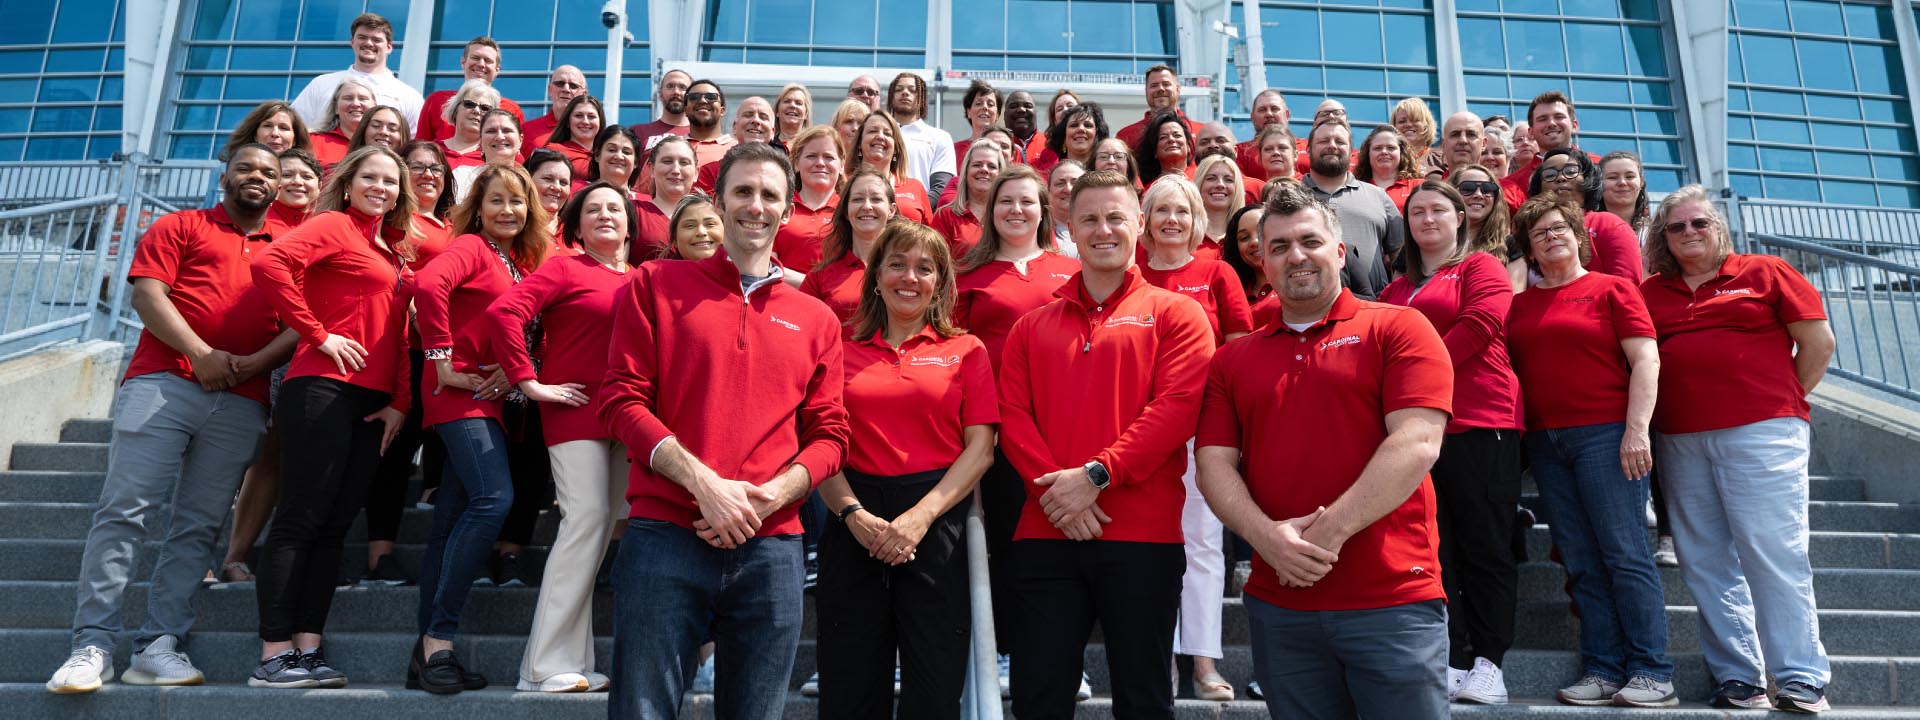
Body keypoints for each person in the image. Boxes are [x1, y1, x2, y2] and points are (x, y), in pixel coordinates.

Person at [600, 142, 849, 719]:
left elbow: (831, 433)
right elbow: (619, 399)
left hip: (772, 546)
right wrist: (705, 486)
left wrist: (775, 496)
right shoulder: (655, 285)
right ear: (717, 200)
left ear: (788, 211)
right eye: (743, 191)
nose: (755, 206)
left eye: (769, 195)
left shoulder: (816, 317)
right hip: (665, 534)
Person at [1195, 180, 1453, 720]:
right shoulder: (1233, 361)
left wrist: (1323, 537)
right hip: (1281, 604)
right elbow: (1213, 463)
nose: (1297, 256)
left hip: (1391, 602)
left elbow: (1418, 442)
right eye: (1280, 246)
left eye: (1309, 241)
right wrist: (1269, 540)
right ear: (1261, 261)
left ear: (1339, 251)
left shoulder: (1399, 328)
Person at [44, 145, 292, 695]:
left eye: (270, 173)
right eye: (248, 168)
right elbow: (148, 295)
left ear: (281, 185)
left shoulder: (288, 245)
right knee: (123, 512)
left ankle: (159, 644)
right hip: (163, 383)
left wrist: (255, 363)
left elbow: (302, 322)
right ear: (225, 173)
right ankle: (92, 644)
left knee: (199, 525)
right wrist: (201, 354)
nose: (258, 178)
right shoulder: (181, 225)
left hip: (243, 397)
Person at [997, 169, 1212, 717]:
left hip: (1143, 537)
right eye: (1089, 218)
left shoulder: (1178, 314)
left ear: (1139, 223)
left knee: (1144, 699)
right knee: (1037, 699)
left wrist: (1095, 476)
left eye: (1116, 217)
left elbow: (1176, 410)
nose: (1103, 229)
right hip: (1045, 535)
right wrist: (1059, 497)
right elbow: (1014, 419)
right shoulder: (1030, 327)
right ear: (1067, 224)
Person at [1640, 186, 1836, 714]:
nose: (1688, 233)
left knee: (1774, 553)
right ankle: (1738, 677)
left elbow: (1818, 343)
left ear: (1718, 227)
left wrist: (1780, 398)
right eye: (1676, 227)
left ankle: (1799, 676)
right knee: (1704, 559)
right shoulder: (1650, 291)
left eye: (1698, 223)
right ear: (1662, 237)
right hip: (1680, 438)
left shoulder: (1766, 271)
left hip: (1764, 432)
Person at [813, 219, 997, 719]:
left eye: (924, 268)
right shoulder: (839, 348)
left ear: (941, 282)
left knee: (935, 692)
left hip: (937, 523)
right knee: (849, 689)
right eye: (896, 264)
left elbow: (981, 449)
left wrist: (921, 517)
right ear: (876, 277)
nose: (909, 277)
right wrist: (853, 515)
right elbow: (819, 444)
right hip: (854, 519)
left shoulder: (967, 350)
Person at [249, 145, 416, 689]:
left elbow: (396, 333)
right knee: (300, 518)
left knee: (335, 525)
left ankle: (308, 648)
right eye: (371, 177)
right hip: (321, 388)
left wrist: (399, 401)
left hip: (371, 404)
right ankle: (274, 653)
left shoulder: (389, 251)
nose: (381, 187)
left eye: (391, 182)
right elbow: (268, 262)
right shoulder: (336, 225)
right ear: (348, 182)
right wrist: (319, 334)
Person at [1504, 195, 1675, 707]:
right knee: (1579, 558)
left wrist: (1636, 430)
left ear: (1580, 236)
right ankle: (1602, 667)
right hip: (1547, 443)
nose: (1552, 236)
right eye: (1539, 234)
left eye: (1560, 228)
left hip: (1606, 435)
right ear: (1528, 250)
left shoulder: (1613, 289)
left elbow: (1647, 361)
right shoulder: (1519, 304)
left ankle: (1652, 670)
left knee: (1624, 553)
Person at [1378, 181, 1524, 705]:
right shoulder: (1396, 290)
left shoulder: (1482, 267)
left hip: (1481, 420)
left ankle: (1491, 662)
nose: (1427, 219)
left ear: (1461, 217)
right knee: (1439, 550)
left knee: (1485, 546)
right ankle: (1456, 656)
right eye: (1417, 212)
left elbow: (1482, 325)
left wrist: (1416, 375)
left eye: (1439, 209)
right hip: (1418, 435)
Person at [487, 181, 636, 693]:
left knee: (596, 537)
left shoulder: (643, 278)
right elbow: (504, 312)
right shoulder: (564, 267)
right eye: (592, 209)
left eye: (614, 208)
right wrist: (528, 381)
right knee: (586, 521)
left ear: (630, 221)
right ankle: (542, 668)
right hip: (573, 409)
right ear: (576, 224)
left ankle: (575, 661)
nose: (604, 216)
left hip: (627, 415)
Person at [406, 163, 549, 693]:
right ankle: (440, 638)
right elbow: (426, 284)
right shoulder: (470, 247)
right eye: (497, 202)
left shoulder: (513, 262)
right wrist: (442, 358)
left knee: (449, 526)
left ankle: (425, 655)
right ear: (478, 209)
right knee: (494, 500)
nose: (508, 211)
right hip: (454, 395)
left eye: (517, 202)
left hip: (485, 398)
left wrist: (505, 370)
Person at [951, 165, 1081, 694]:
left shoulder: (1069, 268)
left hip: (1065, 426)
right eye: (1006, 202)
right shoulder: (969, 275)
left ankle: (1066, 660)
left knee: (1065, 545)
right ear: (990, 210)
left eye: (1028, 201)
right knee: (1007, 543)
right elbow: (953, 348)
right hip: (999, 435)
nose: (1017, 211)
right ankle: (1004, 649)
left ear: (1043, 210)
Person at [1136, 175, 1251, 702]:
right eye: (1161, 210)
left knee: (1204, 543)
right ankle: (1151, 657)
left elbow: (1239, 353)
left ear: (1197, 217)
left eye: (1182, 210)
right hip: (1135, 429)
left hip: (1201, 427)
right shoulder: (1129, 273)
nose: (1173, 220)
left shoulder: (1217, 272)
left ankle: (1202, 661)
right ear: (1146, 217)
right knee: (1143, 544)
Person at [355, 140, 458, 587]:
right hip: (405, 349)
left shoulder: (454, 227)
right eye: (416, 167)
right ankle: (380, 554)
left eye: (436, 168)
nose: (428, 175)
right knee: (394, 454)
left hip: (448, 354)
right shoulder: (397, 224)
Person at [1300, 118, 1402, 299]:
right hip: (1305, 303)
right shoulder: (1289, 196)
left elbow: (1401, 255)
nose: (1332, 146)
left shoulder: (1379, 196)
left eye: (1340, 142)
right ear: (1308, 149)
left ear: (1351, 151)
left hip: (1372, 307)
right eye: (1324, 141)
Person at [801, 167, 897, 334]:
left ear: (891, 210)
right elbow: (802, 331)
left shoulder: (910, 272)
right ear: (846, 211)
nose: (867, 206)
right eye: (858, 199)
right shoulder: (820, 276)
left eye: (876, 199)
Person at [289, 13, 422, 129]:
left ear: (389, 47)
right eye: (362, 37)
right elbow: (294, 127)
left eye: (376, 40)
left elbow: (414, 144)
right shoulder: (321, 84)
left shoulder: (408, 96)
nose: (369, 43)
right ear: (352, 42)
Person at [1528, 148, 1642, 281]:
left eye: (1570, 171)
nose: (1560, 178)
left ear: (1587, 179)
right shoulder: (1528, 230)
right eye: (1549, 175)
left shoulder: (1608, 225)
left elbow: (1626, 287)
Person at [415, 37, 523, 142]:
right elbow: (420, 144)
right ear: (463, 62)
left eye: (488, 60)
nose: (481, 64)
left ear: (497, 69)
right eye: (475, 58)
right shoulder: (437, 100)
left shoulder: (511, 109)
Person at [774, 125, 846, 281]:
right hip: (784, 299)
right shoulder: (778, 207)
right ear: (796, 163)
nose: (820, 163)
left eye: (828, 157)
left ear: (841, 165)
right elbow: (767, 266)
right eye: (811, 156)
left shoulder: (850, 210)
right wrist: (813, 287)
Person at [1504, 91, 1600, 200]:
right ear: (1531, 132)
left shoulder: (1601, 167)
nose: (1551, 123)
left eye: (1559, 117)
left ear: (1574, 125)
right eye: (1542, 119)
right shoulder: (1513, 184)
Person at [1449, 164, 1525, 292]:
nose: (1478, 195)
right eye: (1468, 188)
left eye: (1487, 189)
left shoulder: (1511, 246)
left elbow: (1514, 297)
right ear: (1450, 194)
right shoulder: (1431, 242)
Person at [850, 111, 932, 223]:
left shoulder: (915, 187)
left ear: (896, 148)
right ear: (859, 144)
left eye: (887, 134)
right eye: (873, 131)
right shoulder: (846, 186)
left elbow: (931, 236)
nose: (880, 136)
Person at [931, 140, 1006, 258]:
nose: (984, 170)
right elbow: (937, 265)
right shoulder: (945, 216)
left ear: (1000, 174)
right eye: (977, 165)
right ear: (965, 172)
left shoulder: (1008, 215)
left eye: (991, 166)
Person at [888, 72, 956, 198]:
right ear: (891, 97)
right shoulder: (879, 135)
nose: (905, 92)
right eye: (899, 89)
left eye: (912, 90)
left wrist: (916, 210)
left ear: (922, 98)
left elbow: (941, 188)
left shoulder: (940, 137)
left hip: (921, 214)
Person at [692, 96, 777, 193]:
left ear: (773, 132)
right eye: (748, 115)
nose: (756, 121)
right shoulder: (710, 172)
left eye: (763, 117)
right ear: (735, 127)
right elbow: (699, 207)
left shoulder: (782, 172)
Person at [633, 135, 694, 257]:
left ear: (696, 172)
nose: (676, 170)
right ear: (651, 169)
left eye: (684, 162)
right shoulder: (632, 212)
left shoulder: (710, 214)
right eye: (667, 161)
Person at [1115, 65, 1201, 148]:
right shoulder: (1125, 136)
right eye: (1154, 85)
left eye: (1166, 84)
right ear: (1146, 92)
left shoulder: (1201, 132)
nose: (1160, 89)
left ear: (1177, 89)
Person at [451, 110, 523, 201]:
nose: (499, 137)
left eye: (507, 130)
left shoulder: (529, 179)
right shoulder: (462, 176)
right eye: (491, 131)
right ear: (480, 140)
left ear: (520, 140)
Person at [1221, 205, 1272, 327]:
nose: (1254, 242)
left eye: (1262, 232)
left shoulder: (1298, 286)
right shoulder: (1229, 293)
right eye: (1244, 238)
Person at [437, 80, 503, 172]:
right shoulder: (431, 151)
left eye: (485, 108)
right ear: (455, 109)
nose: (476, 111)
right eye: (469, 104)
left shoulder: (499, 156)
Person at [309, 78, 375, 168]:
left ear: (374, 107)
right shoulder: (311, 140)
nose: (356, 104)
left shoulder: (382, 143)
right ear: (336, 107)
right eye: (348, 98)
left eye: (363, 99)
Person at [1195, 155, 1252, 254]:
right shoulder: (1184, 234)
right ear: (1199, 184)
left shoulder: (1251, 236)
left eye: (1228, 180)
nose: (1220, 185)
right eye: (1211, 178)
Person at [1032, 102, 1105, 179]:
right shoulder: (1048, 176)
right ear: (1063, 136)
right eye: (1074, 125)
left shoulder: (1107, 171)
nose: (1081, 129)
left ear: (1097, 134)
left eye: (1088, 125)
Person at [1355, 125, 1421, 210]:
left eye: (1391, 148)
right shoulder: (1356, 189)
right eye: (1377, 148)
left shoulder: (1418, 186)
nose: (1384, 152)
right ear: (1367, 154)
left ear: (1401, 153)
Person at [523, 66, 588, 151]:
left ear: (584, 94)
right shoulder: (526, 131)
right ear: (549, 89)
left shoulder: (592, 132)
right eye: (560, 84)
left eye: (573, 86)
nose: (566, 89)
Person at [1236, 90, 1294, 181]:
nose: (1269, 114)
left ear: (1287, 115)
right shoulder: (1239, 152)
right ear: (1252, 118)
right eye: (1262, 110)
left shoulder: (1309, 146)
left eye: (1274, 109)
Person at [631, 68, 693, 153]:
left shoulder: (702, 134)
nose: (676, 92)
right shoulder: (637, 132)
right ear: (660, 94)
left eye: (682, 87)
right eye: (670, 86)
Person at [543, 95, 604, 178]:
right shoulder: (553, 151)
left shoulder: (607, 155)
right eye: (578, 115)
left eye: (591, 116)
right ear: (568, 122)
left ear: (600, 123)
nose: (585, 121)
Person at [224, 101, 310, 160]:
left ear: (295, 140)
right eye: (267, 126)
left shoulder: (303, 180)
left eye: (283, 128)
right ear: (255, 134)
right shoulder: (237, 171)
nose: (275, 133)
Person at [524, 149, 575, 242]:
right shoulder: (514, 230)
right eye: (548, 179)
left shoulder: (576, 233)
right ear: (527, 180)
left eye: (563, 182)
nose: (557, 187)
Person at [1134, 110, 1195, 184]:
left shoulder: (1202, 177)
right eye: (1163, 137)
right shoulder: (1149, 191)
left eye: (1177, 135)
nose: (1171, 139)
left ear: (1188, 146)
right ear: (1155, 151)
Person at [583, 125, 643, 198]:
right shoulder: (575, 190)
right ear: (597, 155)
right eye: (611, 150)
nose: (619, 156)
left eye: (626, 152)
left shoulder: (647, 203)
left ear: (635, 162)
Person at [268, 148, 322, 228]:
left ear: (319, 186)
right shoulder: (255, 221)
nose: (297, 182)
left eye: (307, 177)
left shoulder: (329, 224)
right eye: (286, 175)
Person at [953, 79, 1002, 163]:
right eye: (978, 103)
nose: (985, 107)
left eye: (990, 104)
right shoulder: (953, 151)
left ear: (997, 114)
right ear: (968, 112)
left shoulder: (1008, 150)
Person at [1600, 151, 1649, 234]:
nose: (1622, 182)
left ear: (1641, 182)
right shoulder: (1587, 229)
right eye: (1612, 177)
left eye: (1629, 177)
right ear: (1599, 183)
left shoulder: (1656, 232)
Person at [663, 191, 721, 261]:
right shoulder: (653, 271)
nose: (701, 232)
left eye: (710, 224)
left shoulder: (736, 269)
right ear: (675, 238)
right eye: (690, 226)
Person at [1045, 160, 1086, 255]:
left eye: (1076, 183)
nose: (1068, 189)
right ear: (1048, 192)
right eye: (1060, 183)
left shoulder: (1102, 229)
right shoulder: (1036, 233)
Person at [1392, 97, 1439, 175]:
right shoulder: (1388, 160)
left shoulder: (1441, 158)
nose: (1408, 125)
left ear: (1426, 124)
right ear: (1394, 127)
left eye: (1415, 120)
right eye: (1402, 121)